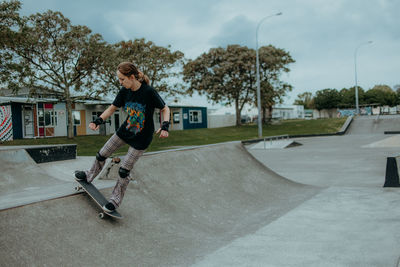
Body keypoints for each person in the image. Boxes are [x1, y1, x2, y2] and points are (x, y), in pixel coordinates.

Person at [75, 62, 170, 212]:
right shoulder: (124, 91)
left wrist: (165, 126)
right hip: (125, 131)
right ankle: (88, 175)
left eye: (122, 79)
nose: (120, 82)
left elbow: (165, 108)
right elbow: (112, 108)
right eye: (119, 79)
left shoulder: (148, 92)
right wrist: (98, 120)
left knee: (123, 171)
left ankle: (115, 201)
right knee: (102, 154)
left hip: (141, 138)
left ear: (131, 77)